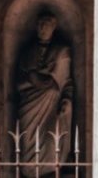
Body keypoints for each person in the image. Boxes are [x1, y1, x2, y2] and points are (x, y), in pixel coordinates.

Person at [13, 12, 75, 172]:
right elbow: (18, 83)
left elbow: (65, 81)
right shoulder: (26, 53)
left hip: (51, 105)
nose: (42, 28)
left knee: (51, 139)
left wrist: (67, 99)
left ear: (53, 28)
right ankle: (28, 171)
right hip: (29, 105)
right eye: (39, 25)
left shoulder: (62, 51)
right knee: (27, 138)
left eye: (45, 25)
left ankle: (49, 170)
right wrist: (31, 79)